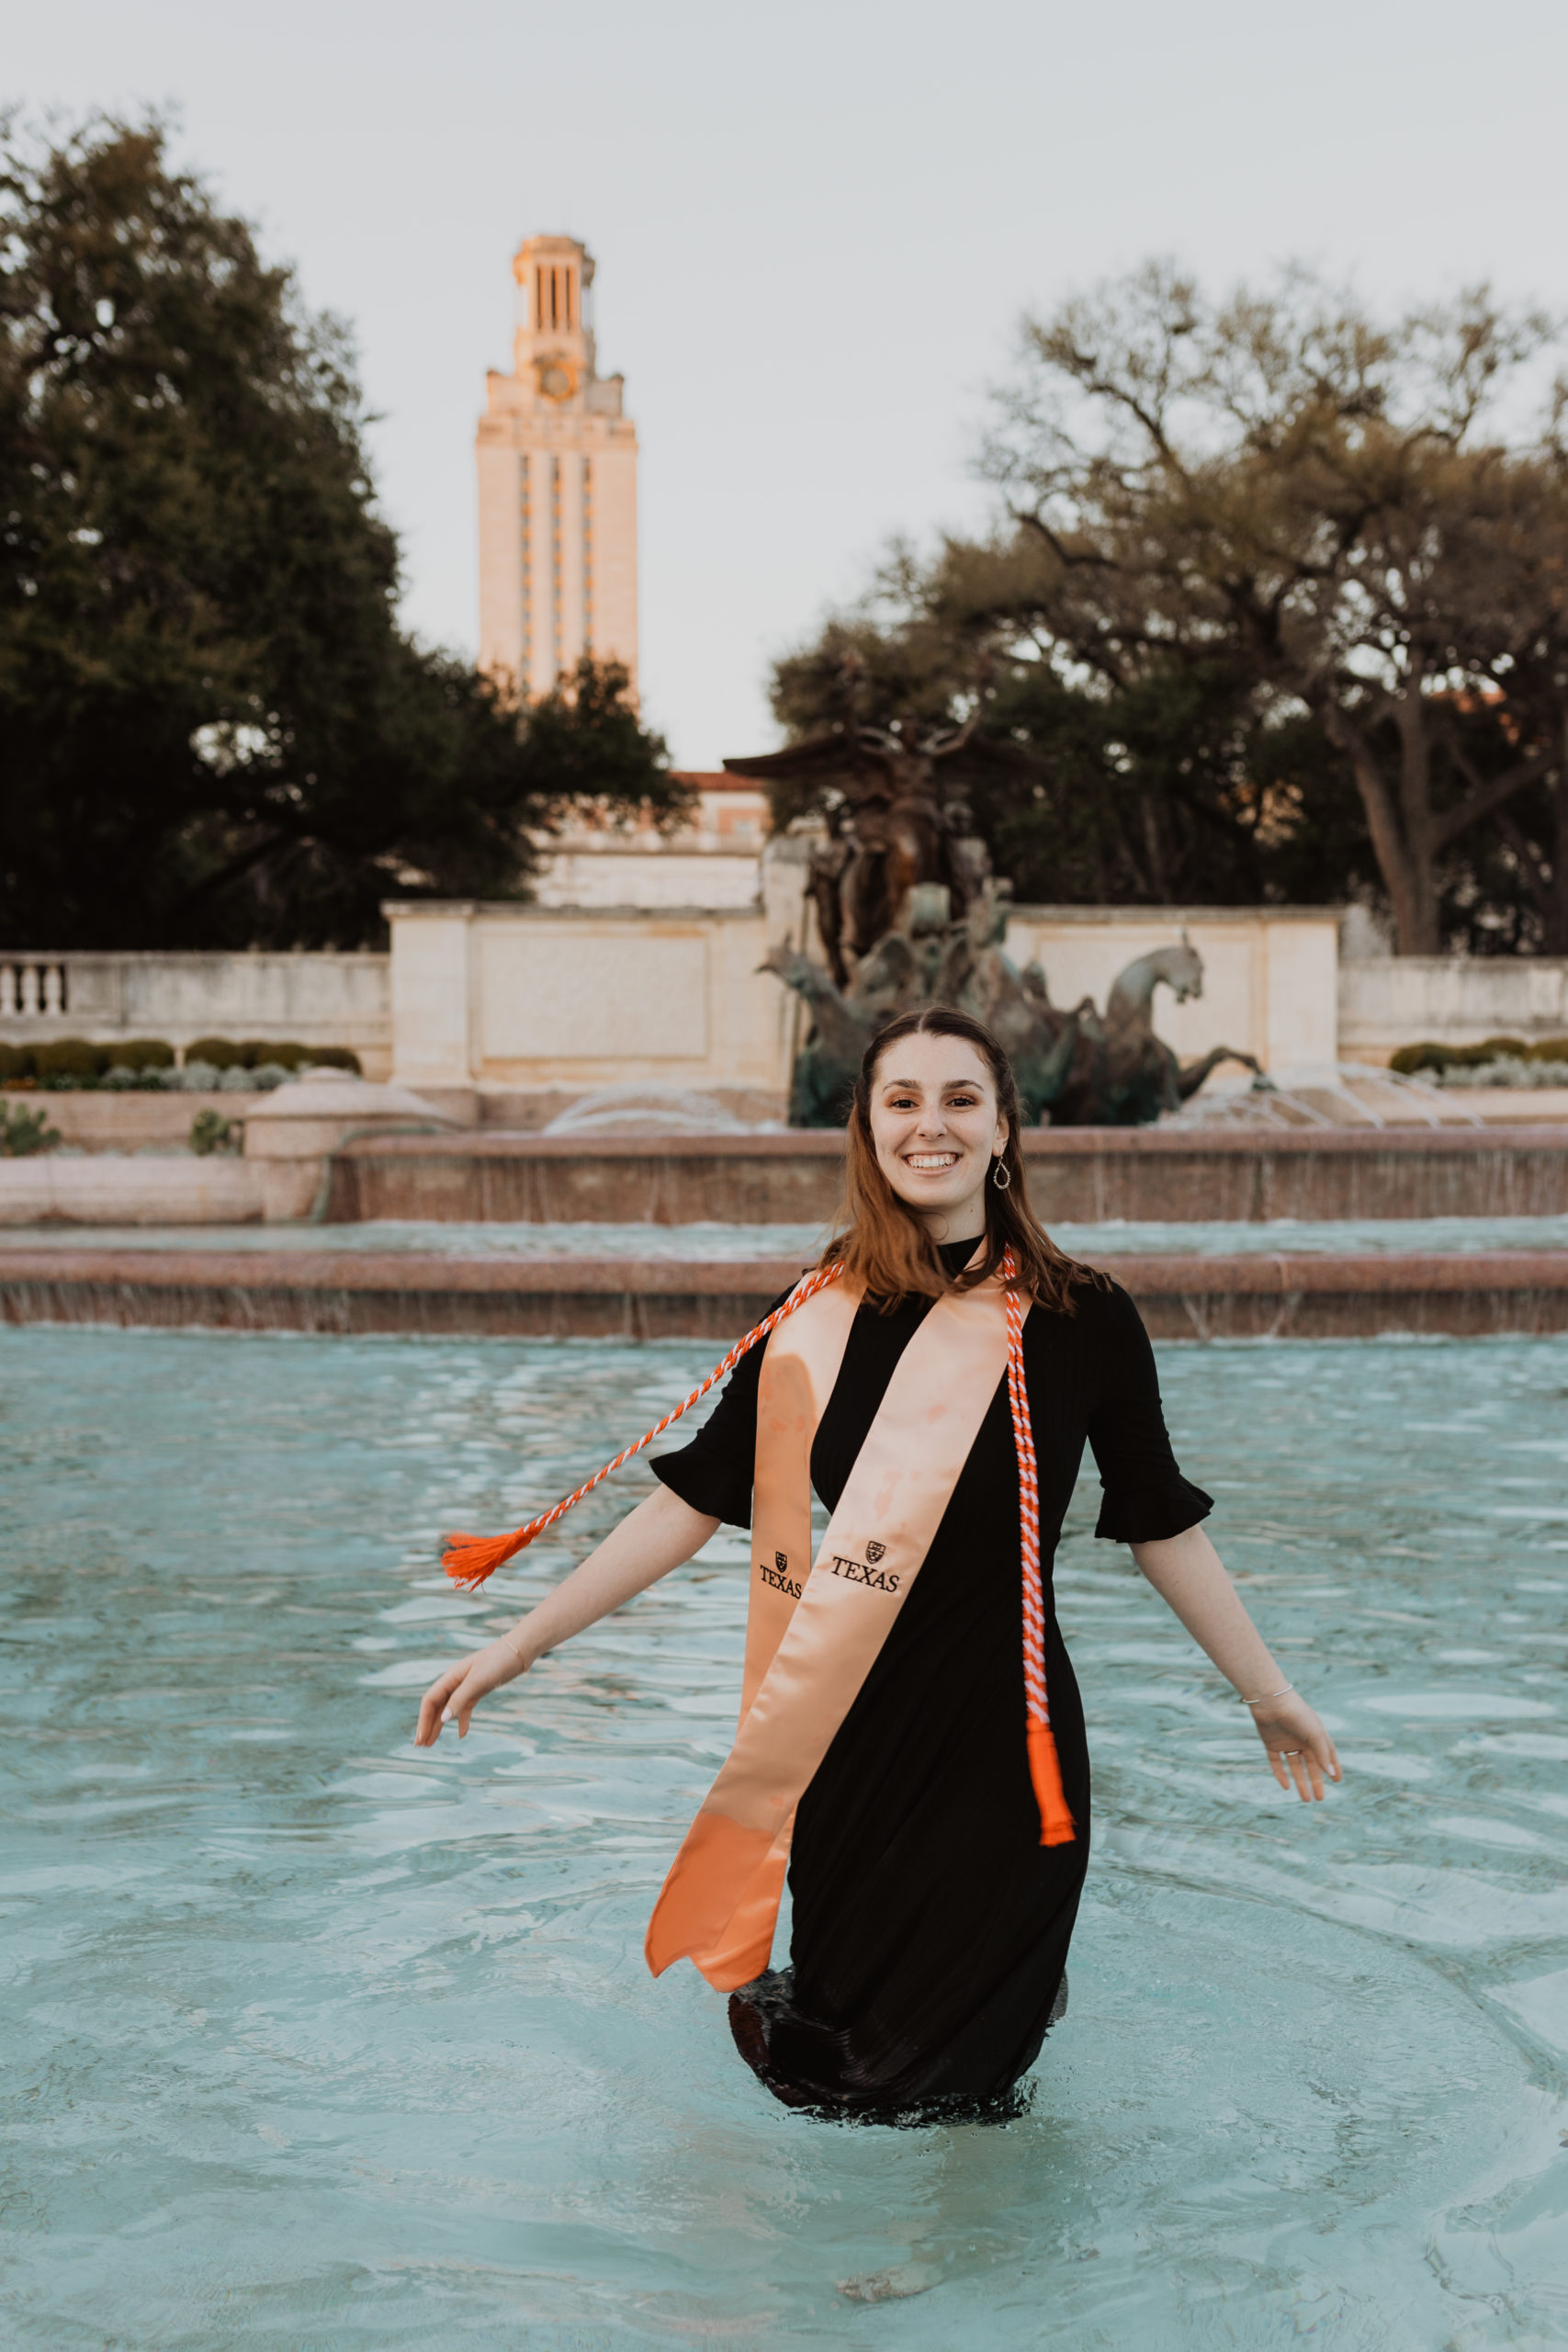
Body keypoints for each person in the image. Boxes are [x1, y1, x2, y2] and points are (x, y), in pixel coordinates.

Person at [415, 1006, 1340, 2120]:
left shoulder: (1081, 1314)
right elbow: (695, 1503)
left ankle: (941, 2268)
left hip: (1011, 1749)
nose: (930, 1126)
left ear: (1005, 1129)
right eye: (902, 1100)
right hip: (847, 1743)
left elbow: (1160, 1524)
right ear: (866, 1125)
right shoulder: (815, 1312)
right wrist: (520, 1642)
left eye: (961, 1099)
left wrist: (1269, 1693)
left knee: (965, 2073)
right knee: (848, 2052)